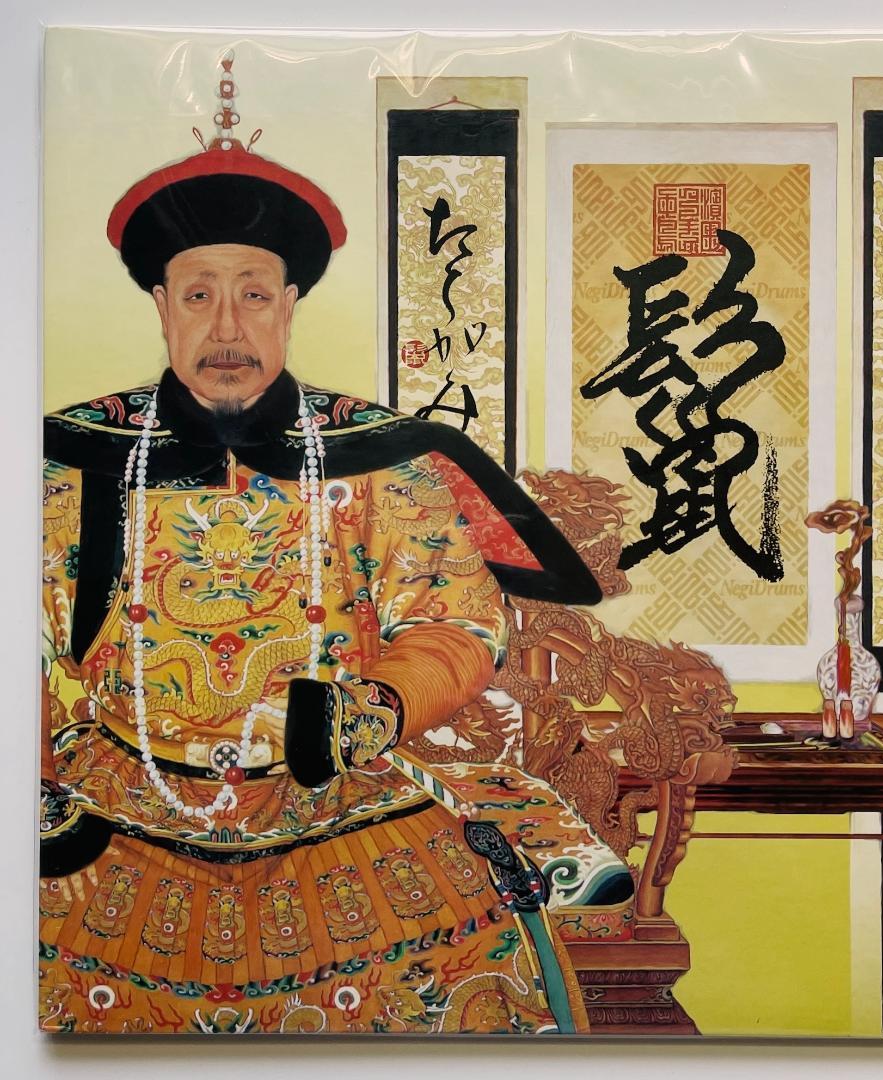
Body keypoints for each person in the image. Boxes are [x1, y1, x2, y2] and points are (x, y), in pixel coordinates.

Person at [38, 60, 628, 1036]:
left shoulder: (376, 456)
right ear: (161, 304)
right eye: (199, 295)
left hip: (336, 792)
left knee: (467, 965)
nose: (228, 327)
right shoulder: (70, 460)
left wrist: (372, 710)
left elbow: (457, 624)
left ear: (289, 303)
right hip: (118, 797)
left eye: (254, 295)